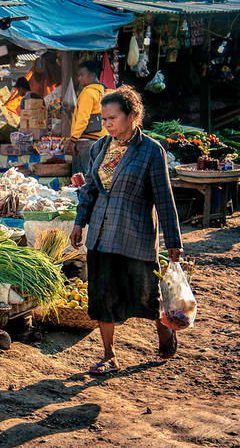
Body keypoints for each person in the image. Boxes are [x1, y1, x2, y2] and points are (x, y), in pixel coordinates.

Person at [69, 86, 183, 375]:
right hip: (101, 235)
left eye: (113, 118)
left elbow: (164, 197)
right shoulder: (98, 148)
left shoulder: (150, 151)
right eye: (103, 118)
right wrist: (79, 223)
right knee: (102, 295)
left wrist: (173, 240)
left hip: (136, 236)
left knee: (147, 295)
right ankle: (109, 355)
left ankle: (164, 332)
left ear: (133, 115)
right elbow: (89, 191)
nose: (107, 124)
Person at [66, 60, 109, 175]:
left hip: (86, 142)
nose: (79, 78)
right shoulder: (105, 92)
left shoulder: (88, 92)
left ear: (93, 75)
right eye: (78, 75)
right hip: (101, 139)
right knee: (96, 175)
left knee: (81, 177)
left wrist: (73, 139)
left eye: (82, 75)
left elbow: (82, 119)